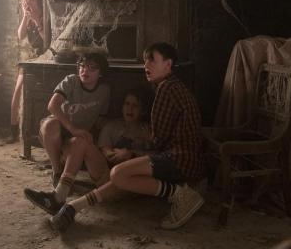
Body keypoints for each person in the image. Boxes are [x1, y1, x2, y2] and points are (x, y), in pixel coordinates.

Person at [48, 42, 206, 231]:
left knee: (119, 174)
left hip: (180, 159)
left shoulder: (167, 89)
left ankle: (181, 194)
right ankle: (69, 203)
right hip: (178, 156)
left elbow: (158, 142)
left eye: (152, 60)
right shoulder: (171, 86)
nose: (146, 65)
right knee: (114, 171)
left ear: (168, 64)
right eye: (145, 61)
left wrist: (131, 153)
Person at [23, 87, 152, 215]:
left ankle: (62, 200)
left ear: (142, 110)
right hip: (108, 178)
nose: (129, 109)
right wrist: (114, 154)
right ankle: (59, 196)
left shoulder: (148, 131)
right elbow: (106, 151)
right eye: (127, 104)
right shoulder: (113, 126)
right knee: (80, 142)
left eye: (135, 106)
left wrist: (132, 153)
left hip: (133, 182)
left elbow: (157, 158)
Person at [25, 52, 111, 211]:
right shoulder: (71, 80)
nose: (85, 70)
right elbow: (52, 106)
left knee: (80, 141)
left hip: (76, 139)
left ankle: (58, 196)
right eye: (82, 66)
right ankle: (57, 171)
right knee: (51, 125)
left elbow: (101, 119)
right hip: (58, 130)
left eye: (92, 68)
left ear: (101, 73)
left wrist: (97, 145)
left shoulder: (104, 91)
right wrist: (73, 128)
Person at [8, 0, 45, 143]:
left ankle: (37, 133)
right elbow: (21, 36)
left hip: (47, 59)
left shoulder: (46, 17)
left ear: (39, 2)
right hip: (32, 59)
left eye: (31, 0)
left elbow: (47, 40)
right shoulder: (28, 18)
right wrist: (25, 17)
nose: (28, 4)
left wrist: (37, 21)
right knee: (17, 91)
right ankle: (13, 131)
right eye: (25, 1)